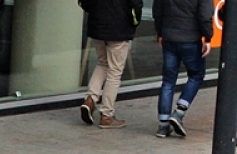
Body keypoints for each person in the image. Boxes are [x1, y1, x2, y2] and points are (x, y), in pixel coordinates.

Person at [78, 0, 144, 129]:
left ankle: (90, 99)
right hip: (119, 26)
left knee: (102, 63)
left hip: (98, 25)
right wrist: (134, 22)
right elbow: (136, 4)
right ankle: (106, 115)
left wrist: (95, 12)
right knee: (115, 71)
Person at [152, 0, 213, 138]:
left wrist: (160, 32)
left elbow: (157, 10)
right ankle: (179, 111)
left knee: (168, 81)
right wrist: (208, 38)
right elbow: (204, 15)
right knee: (197, 75)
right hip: (190, 39)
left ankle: (163, 125)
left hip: (169, 37)